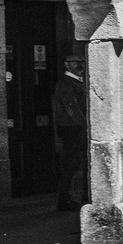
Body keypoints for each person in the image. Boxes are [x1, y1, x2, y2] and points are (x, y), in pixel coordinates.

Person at [51, 54, 86, 212]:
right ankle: (64, 199)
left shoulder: (78, 81)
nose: (80, 65)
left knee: (75, 163)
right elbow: (71, 109)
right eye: (76, 62)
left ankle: (72, 198)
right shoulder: (66, 83)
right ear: (67, 64)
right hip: (71, 127)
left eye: (82, 62)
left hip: (76, 127)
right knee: (70, 164)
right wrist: (86, 125)